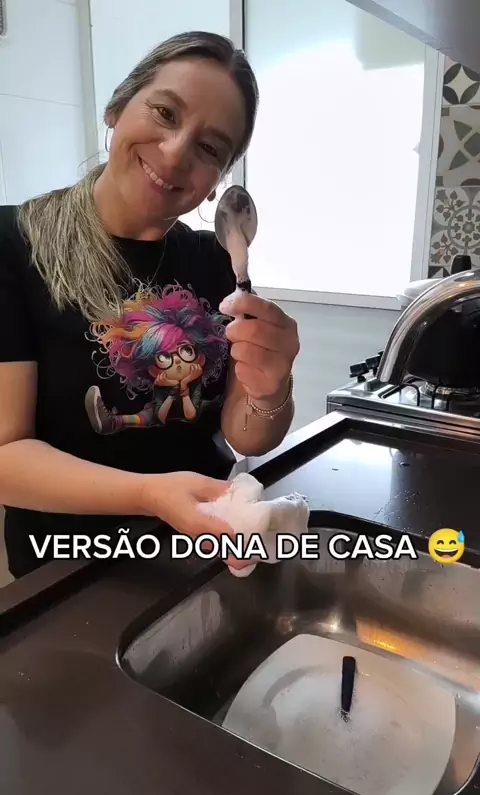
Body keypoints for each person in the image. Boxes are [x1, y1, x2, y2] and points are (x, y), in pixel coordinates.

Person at [0, 31, 299, 579]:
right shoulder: (14, 244)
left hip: (205, 544)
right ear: (117, 108)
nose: (176, 152)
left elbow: (246, 435)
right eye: (165, 113)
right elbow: (5, 454)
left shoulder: (216, 260)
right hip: (70, 570)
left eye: (210, 148)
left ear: (218, 181)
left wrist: (270, 389)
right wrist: (149, 495)